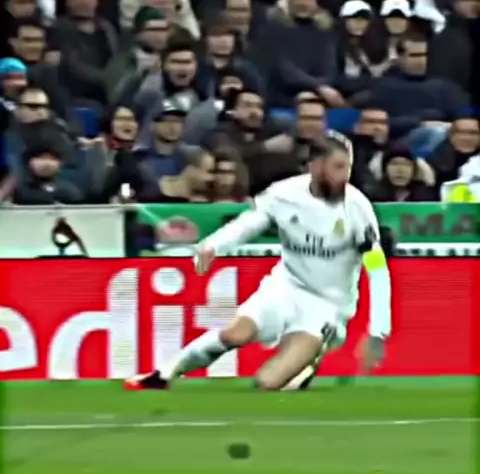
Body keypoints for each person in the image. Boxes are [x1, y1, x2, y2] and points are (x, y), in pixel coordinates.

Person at [126, 132, 392, 392]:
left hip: (328, 308)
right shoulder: (285, 194)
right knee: (234, 334)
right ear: (315, 166)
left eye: (347, 167)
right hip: (286, 287)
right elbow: (250, 223)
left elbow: (377, 269)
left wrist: (378, 332)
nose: (345, 176)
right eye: (338, 167)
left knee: (267, 382)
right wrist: (213, 245)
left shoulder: (357, 208)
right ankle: (163, 373)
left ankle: (310, 359)